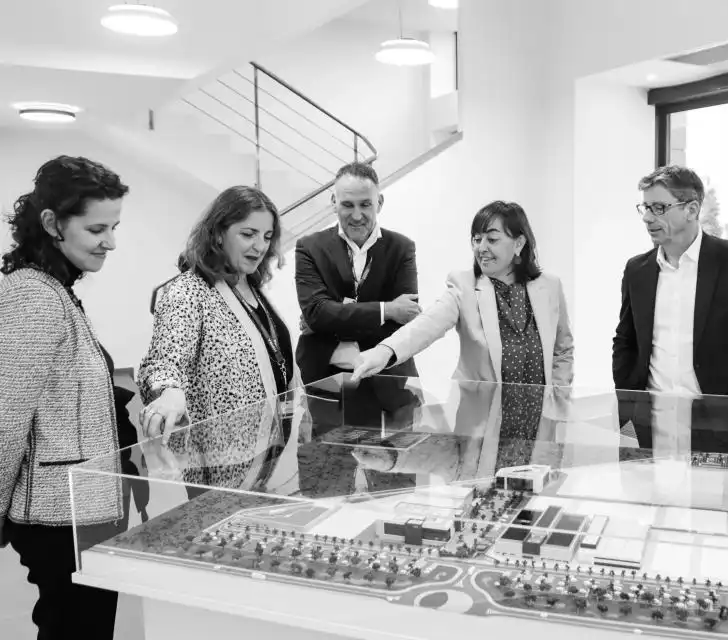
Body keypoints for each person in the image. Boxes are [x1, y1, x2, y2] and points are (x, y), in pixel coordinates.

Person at [0, 155, 129, 640]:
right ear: (53, 223)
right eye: (98, 228)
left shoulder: (55, 289)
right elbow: (6, 418)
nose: (111, 242)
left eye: (114, 227)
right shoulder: (33, 296)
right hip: (58, 517)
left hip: (81, 509)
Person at [352, 200, 574, 464]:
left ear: (519, 243)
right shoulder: (464, 285)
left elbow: (562, 349)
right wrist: (384, 351)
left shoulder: (549, 286)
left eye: (492, 239)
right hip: (483, 428)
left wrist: (558, 399)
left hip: (539, 424)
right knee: (483, 498)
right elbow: (427, 324)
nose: (481, 248)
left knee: (531, 498)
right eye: (476, 239)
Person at [138, 186, 295, 495]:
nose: (260, 245)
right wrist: (168, 392)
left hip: (267, 457)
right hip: (219, 470)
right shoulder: (189, 291)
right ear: (219, 233)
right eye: (248, 233)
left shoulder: (250, 287)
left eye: (267, 236)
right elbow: (164, 360)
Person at [612, 165, 728, 432]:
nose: (647, 218)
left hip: (720, 423)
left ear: (692, 209)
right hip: (650, 419)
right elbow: (625, 339)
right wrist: (628, 398)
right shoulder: (636, 269)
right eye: (645, 208)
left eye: (659, 208)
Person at [295, 161, 421, 384]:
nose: (356, 215)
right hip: (323, 378)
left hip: (388, 381)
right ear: (334, 203)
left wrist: (334, 315)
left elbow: (405, 319)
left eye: (365, 204)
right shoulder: (309, 247)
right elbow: (317, 313)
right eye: (347, 205)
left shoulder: (402, 248)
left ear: (379, 203)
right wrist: (387, 309)